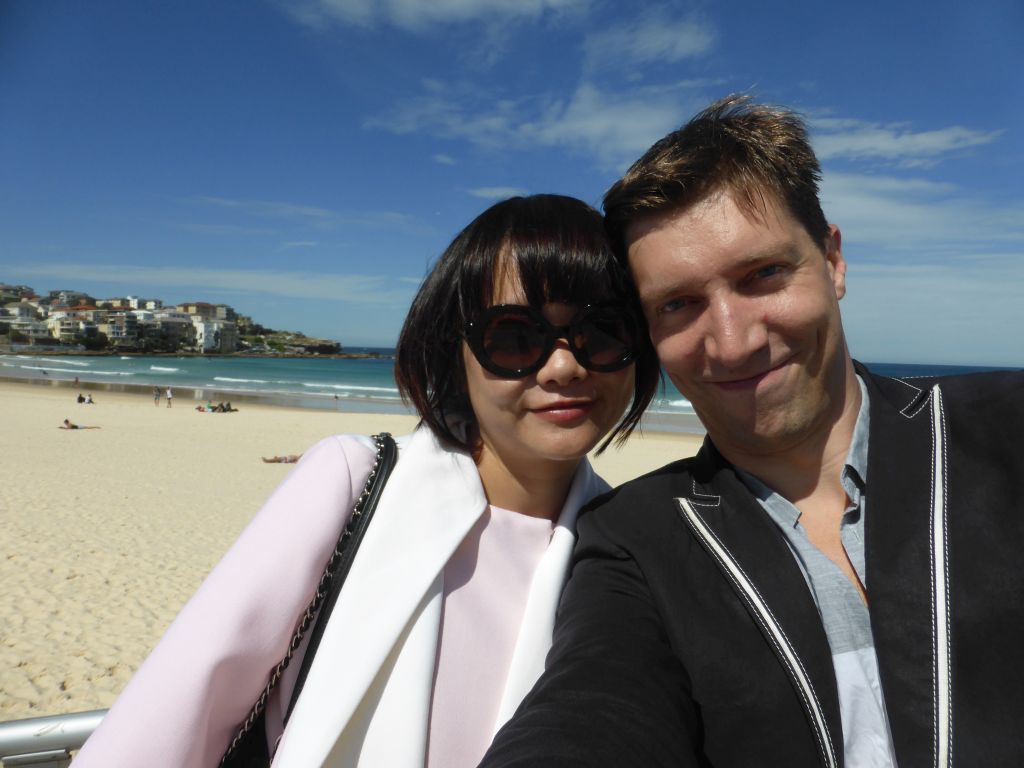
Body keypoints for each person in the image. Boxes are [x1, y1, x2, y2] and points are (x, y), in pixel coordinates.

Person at [481, 97, 1024, 767]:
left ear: (832, 261)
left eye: (762, 275)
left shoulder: (1001, 430)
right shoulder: (638, 540)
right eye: (678, 304)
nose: (732, 343)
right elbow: (593, 707)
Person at [74, 194, 659, 767]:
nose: (564, 367)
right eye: (512, 337)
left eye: (603, 331)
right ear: (453, 352)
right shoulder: (353, 481)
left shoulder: (630, 548)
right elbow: (177, 711)